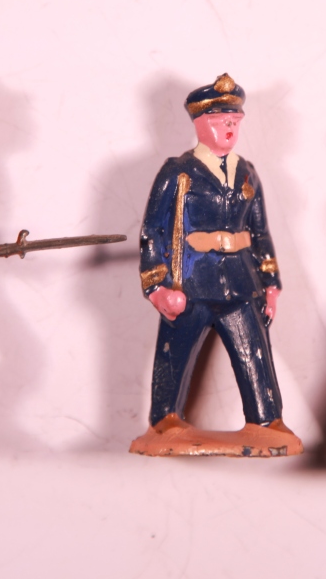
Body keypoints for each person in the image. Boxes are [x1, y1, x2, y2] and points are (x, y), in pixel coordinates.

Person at [130, 74, 301, 456]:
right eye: (222, 120)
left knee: (254, 351)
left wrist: (271, 284)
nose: (230, 128)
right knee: (175, 352)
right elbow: (152, 232)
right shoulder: (178, 172)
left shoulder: (247, 171)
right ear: (200, 122)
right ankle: (164, 419)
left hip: (240, 281)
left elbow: (260, 232)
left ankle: (266, 419)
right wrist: (157, 289)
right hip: (190, 284)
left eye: (235, 121)